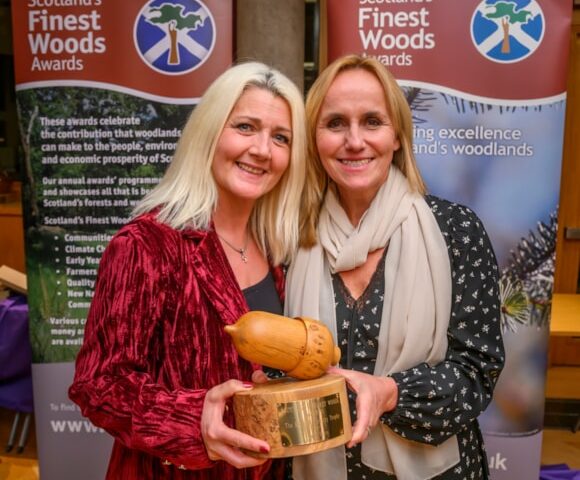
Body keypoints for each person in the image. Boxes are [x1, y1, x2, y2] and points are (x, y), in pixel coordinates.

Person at [69, 61, 307, 480]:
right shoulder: (146, 244)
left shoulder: (279, 249)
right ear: (209, 132)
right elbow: (99, 385)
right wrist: (193, 419)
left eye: (281, 138)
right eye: (246, 127)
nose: (262, 150)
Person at [285, 54, 505, 479]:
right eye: (335, 124)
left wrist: (390, 393)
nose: (354, 140)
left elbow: (477, 373)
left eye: (372, 121)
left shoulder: (454, 230)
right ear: (314, 139)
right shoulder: (291, 239)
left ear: (398, 136)